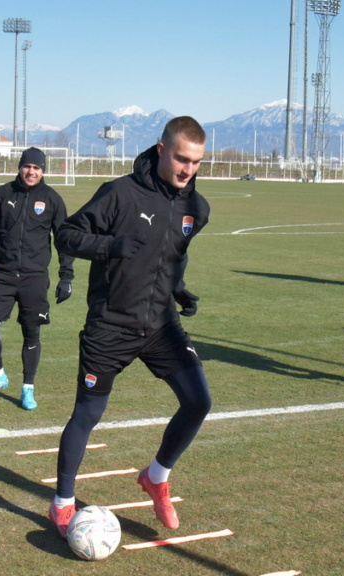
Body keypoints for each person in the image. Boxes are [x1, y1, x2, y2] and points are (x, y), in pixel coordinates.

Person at [48, 116, 212, 537]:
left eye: (196, 162)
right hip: (111, 325)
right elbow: (66, 235)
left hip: (160, 325)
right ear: (161, 150)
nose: (188, 169)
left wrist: (178, 289)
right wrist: (110, 246)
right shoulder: (119, 193)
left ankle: (156, 477)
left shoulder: (197, 208)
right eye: (181, 158)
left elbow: (173, 254)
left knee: (198, 401)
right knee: (88, 413)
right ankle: (62, 503)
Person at [0, 147, 75, 411]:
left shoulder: (52, 199)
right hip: (2, 275)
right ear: (20, 167)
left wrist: (66, 276)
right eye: (27, 166)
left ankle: (28, 388)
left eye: (37, 168)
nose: (31, 172)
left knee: (31, 332)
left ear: (43, 171)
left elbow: (64, 240)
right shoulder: (2, 194)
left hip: (34, 278)